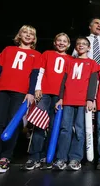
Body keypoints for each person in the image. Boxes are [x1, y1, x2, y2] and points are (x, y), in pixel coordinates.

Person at [0, 25, 41, 174]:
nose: (28, 35)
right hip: (2, 90)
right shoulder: (8, 50)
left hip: (21, 92)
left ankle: (5, 157)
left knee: (13, 123)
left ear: (34, 38)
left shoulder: (36, 55)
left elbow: (34, 75)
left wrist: (31, 92)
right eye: (25, 32)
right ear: (19, 35)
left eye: (31, 33)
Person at [23, 33, 71, 171]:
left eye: (64, 41)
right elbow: (41, 71)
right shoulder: (47, 54)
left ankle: (47, 155)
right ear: (55, 43)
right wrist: (38, 88)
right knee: (38, 125)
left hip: (59, 95)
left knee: (53, 126)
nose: (61, 43)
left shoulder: (70, 59)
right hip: (44, 93)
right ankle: (34, 157)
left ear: (68, 44)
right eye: (59, 41)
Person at [53, 37, 98, 171]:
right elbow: (63, 81)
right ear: (75, 47)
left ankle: (75, 158)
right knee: (65, 129)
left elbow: (93, 82)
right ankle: (61, 158)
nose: (81, 46)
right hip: (67, 100)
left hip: (82, 101)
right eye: (78, 44)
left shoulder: (92, 63)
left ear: (89, 48)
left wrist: (90, 99)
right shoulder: (70, 61)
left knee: (79, 129)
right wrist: (61, 98)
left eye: (84, 44)